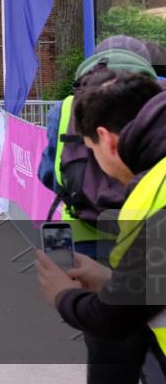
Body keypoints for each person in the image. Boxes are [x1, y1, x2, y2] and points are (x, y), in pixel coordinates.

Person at [35, 71, 166, 383]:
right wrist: (110, 279)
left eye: (90, 150)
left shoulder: (154, 193)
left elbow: (114, 318)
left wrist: (63, 295)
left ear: (106, 140)